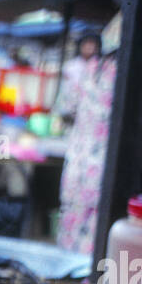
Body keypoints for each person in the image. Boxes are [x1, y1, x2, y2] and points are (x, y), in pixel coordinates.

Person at [55, 15, 119, 256]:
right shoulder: (122, 72)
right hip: (102, 157)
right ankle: (86, 271)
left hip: (79, 155)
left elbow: (67, 107)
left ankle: (68, 265)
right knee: (95, 218)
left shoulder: (88, 69)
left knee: (72, 212)